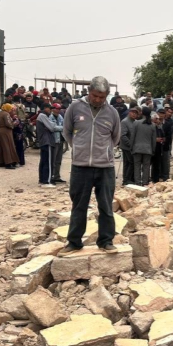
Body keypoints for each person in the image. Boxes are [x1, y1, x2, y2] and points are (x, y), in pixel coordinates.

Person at [59, 77, 121, 256]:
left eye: (102, 97)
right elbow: (67, 132)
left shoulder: (112, 113)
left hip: (105, 167)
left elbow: (115, 137)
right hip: (81, 167)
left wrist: (104, 152)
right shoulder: (75, 108)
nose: (98, 100)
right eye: (95, 96)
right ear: (89, 91)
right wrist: (79, 149)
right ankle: (74, 242)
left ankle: (106, 241)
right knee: (79, 206)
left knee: (106, 206)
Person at [36, 103, 62, 187]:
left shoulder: (43, 116)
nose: (51, 110)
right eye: (49, 108)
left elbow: (51, 126)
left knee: (44, 161)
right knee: (48, 162)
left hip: (44, 141)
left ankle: (42, 180)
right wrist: (54, 125)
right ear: (45, 108)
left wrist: (52, 126)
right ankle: (47, 181)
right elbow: (52, 127)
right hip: (47, 141)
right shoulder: (43, 116)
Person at [132, 107, 156, 186]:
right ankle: (145, 182)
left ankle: (137, 183)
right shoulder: (152, 125)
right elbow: (153, 140)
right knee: (146, 166)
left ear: (142, 113)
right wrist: (153, 149)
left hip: (137, 148)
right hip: (148, 149)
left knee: (137, 166)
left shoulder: (136, 123)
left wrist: (131, 147)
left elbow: (133, 137)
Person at [120, 106, 140, 186]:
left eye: (136, 113)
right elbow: (123, 135)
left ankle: (129, 179)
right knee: (131, 162)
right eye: (133, 112)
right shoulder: (124, 122)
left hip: (133, 146)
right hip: (126, 146)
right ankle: (126, 179)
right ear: (129, 113)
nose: (134, 114)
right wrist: (130, 144)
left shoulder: (135, 122)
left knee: (128, 163)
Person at [0, 103, 20, 169]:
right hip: (5, 131)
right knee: (8, 147)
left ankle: (1, 162)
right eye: (10, 109)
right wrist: (15, 123)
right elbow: (8, 124)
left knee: (1, 147)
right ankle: (8, 163)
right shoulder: (6, 114)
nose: (11, 110)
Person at [50, 103, 66, 183]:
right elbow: (53, 128)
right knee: (53, 160)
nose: (58, 110)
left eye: (59, 109)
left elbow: (63, 126)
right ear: (53, 109)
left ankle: (57, 176)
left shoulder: (60, 116)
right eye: (57, 109)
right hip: (54, 140)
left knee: (58, 160)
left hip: (61, 140)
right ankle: (51, 176)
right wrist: (63, 128)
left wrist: (61, 128)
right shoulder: (50, 117)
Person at [160, 107, 173, 181]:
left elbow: (172, 133)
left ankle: (165, 175)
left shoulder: (171, 122)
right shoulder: (158, 122)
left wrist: (166, 139)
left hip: (167, 143)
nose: (170, 114)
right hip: (158, 144)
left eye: (171, 112)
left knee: (166, 159)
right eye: (168, 112)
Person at [151, 113, 165, 182]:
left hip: (158, 148)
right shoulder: (150, 127)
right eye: (156, 119)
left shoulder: (159, 128)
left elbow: (163, 135)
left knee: (156, 165)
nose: (157, 121)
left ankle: (155, 179)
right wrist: (155, 139)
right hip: (150, 148)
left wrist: (162, 139)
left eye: (158, 119)